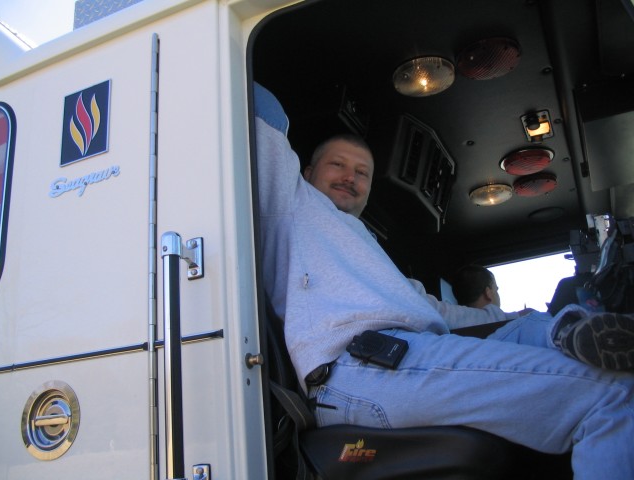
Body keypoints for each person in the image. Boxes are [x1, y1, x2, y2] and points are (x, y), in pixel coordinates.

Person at [254, 82, 634, 479]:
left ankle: (571, 330)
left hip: (417, 351)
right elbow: (261, 109)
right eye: (337, 165)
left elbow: (441, 312)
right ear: (307, 170)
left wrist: (507, 317)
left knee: (525, 323)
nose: (350, 177)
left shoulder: (372, 254)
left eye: (362, 172)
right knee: (615, 396)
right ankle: (573, 333)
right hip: (362, 370)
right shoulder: (292, 203)